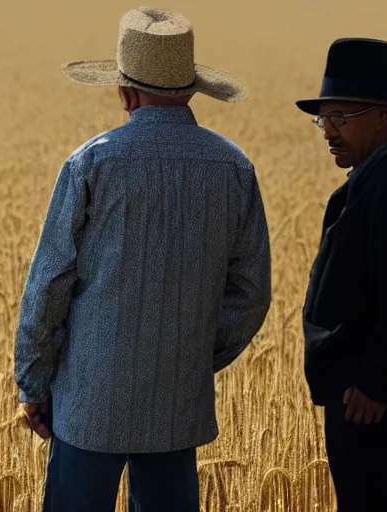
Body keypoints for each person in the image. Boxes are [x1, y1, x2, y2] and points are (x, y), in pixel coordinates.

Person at [14, 7, 271, 511]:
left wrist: (34, 380)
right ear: (192, 89)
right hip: (177, 409)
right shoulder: (234, 168)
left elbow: (49, 283)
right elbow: (251, 294)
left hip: (88, 405)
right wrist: (190, 354)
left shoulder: (92, 162)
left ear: (124, 91)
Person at [296, 38, 387, 511]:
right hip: (356, 391)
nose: (328, 132)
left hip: (366, 399)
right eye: (324, 119)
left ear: (383, 115)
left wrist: (379, 381)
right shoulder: (377, 176)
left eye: (342, 118)